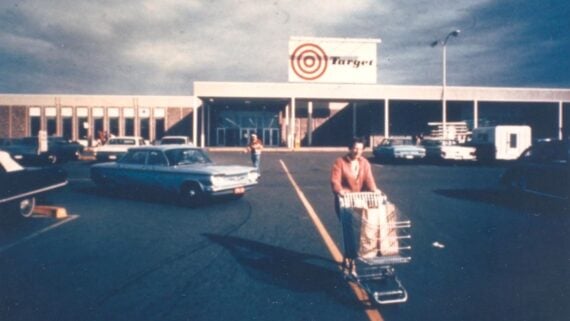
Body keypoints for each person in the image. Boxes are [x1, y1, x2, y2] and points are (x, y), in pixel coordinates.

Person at [330, 137, 380, 270]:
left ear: (363, 149)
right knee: (349, 232)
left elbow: (369, 180)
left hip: (360, 202)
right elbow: (335, 181)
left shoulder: (365, 163)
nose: (357, 151)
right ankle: (349, 260)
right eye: (354, 148)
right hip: (345, 203)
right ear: (349, 148)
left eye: (360, 148)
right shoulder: (340, 162)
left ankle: (350, 256)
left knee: (359, 232)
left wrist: (374, 190)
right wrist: (340, 190)